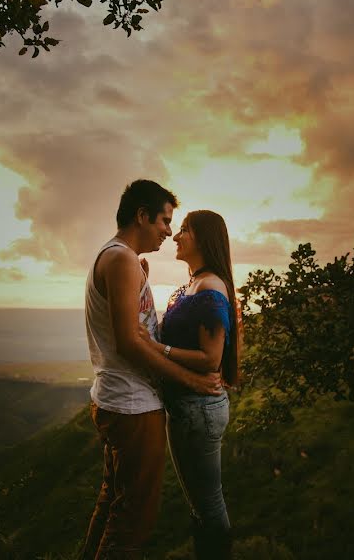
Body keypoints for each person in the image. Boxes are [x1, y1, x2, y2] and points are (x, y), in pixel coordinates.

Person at [81, 180, 223, 560]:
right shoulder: (120, 260)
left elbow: (138, 328)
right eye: (163, 219)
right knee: (134, 519)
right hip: (133, 406)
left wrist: (140, 276)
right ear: (141, 215)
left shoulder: (122, 260)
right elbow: (129, 342)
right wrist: (191, 379)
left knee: (113, 503)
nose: (168, 230)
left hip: (118, 401)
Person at [137, 209, 239, 559]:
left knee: (208, 505)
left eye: (185, 230)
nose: (176, 236)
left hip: (200, 410)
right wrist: (142, 283)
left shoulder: (210, 287)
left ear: (204, 239)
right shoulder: (191, 286)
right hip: (187, 409)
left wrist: (157, 348)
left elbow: (211, 359)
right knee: (199, 506)